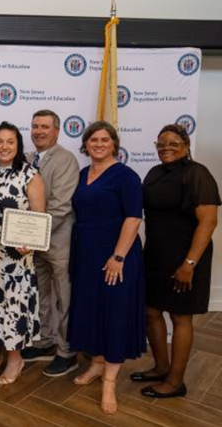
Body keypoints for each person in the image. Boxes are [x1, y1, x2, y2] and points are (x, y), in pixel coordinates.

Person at [131, 124, 220, 398]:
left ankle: (175, 382)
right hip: (157, 254)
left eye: (172, 143)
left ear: (186, 144)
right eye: (160, 143)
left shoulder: (197, 173)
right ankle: (161, 368)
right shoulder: (155, 173)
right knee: (152, 312)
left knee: (180, 316)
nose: (165, 148)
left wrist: (189, 264)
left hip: (186, 258)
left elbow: (208, 221)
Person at [67, 121, 146, 415]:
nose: (98, 144)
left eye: (104, 140)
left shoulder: (126, 176)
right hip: (86, 252)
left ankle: (110, 382)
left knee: (114, 313)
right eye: (93, 140)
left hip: (116, 253)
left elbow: (133, 218)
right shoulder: (83, 173)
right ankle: (97, 364)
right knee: (90, 310)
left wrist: (118, 257)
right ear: (85, 144)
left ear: (114, 143)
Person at [0, 122, 45, 385]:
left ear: (18, 145)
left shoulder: (30, 175)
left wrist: (30, 243)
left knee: (12, 309)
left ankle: (15, 358)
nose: (4, 146)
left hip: (17, 259)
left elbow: (39, 218)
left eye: (10, 142)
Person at [22, 110, 80, 377]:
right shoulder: (27, 158)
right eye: (35, 126)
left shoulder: (66, 159)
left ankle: (67, 352)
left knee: (64, 298)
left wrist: (33, 235)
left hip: (58, 242)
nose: (38, 131)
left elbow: (60, 205)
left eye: (45, 126)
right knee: (40, 296)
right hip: (34, 245)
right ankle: (45, 341)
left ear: (57, 130)